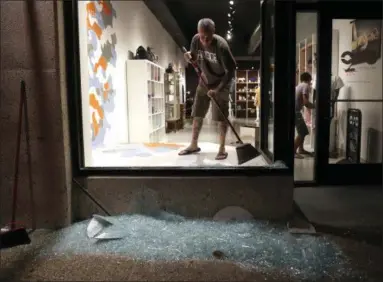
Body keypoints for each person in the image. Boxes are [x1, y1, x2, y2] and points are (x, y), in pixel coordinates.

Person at [178, 18, 236, 160]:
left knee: (221, 117)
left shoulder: (221, 46)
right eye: (202, 36)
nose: (205, 40)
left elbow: (231, 71)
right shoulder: (195, 40)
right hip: (204, 81)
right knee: (197, 112)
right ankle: (193, 144)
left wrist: (218, 90)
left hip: (222, 82)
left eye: (208, 37)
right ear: (198, 33)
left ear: (213, 32)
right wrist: (188, 57)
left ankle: (222, 148)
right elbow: (193, 57)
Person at [295, 72, 315, 159]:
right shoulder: (305, 86)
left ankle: (301, 149)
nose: (311, 82)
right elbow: (306, 102)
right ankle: (293, 151)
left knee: (303, 131)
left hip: (295, 111)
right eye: (310, 80)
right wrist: (316, 106)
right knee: (302, 132)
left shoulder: (299, 85)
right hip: (295, 111)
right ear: (309, 79)